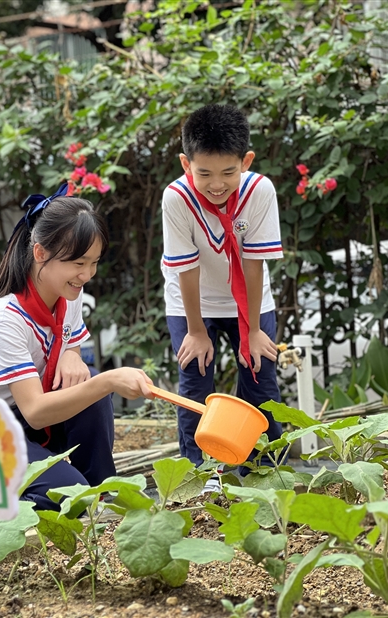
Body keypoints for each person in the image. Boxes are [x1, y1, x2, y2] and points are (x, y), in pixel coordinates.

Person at [0, 184, 153, 511]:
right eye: (78, 262)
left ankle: (101, 491)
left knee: (88, 387)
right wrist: (107, 381)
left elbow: (68, 343)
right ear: (40, 253)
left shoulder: (67, 293)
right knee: (68, 495)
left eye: (93, 263)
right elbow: (35, 411)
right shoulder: (4, 320)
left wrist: (71, 353)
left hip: (27, 423)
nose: (87, 275)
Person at [161, 104, 285, 486]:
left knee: (260, 373)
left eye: (228, 172)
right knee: (196, 377)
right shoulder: (177, 198)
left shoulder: (259, 191)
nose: (217, 184)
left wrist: (251, 331)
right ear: (186, 164)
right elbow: (186, 267)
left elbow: (253, 263)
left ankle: (263, 466)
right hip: (190, 303)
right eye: (205, 173)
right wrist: (196, 332)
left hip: (250, 299)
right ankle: (200, 473)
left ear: (245, 161)